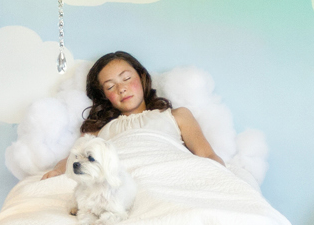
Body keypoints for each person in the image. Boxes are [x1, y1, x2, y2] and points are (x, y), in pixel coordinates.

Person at [42, 52, 221, 178]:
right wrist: (57, 172)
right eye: (110, 86)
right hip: (120, 184)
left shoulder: (177, 116)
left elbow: (207, 155)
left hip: (169, 176)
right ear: (104, 96)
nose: (122, 88)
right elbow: (73, 160)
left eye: (126, 78)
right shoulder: (98, 131)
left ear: (141, 77)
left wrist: (222, 179)